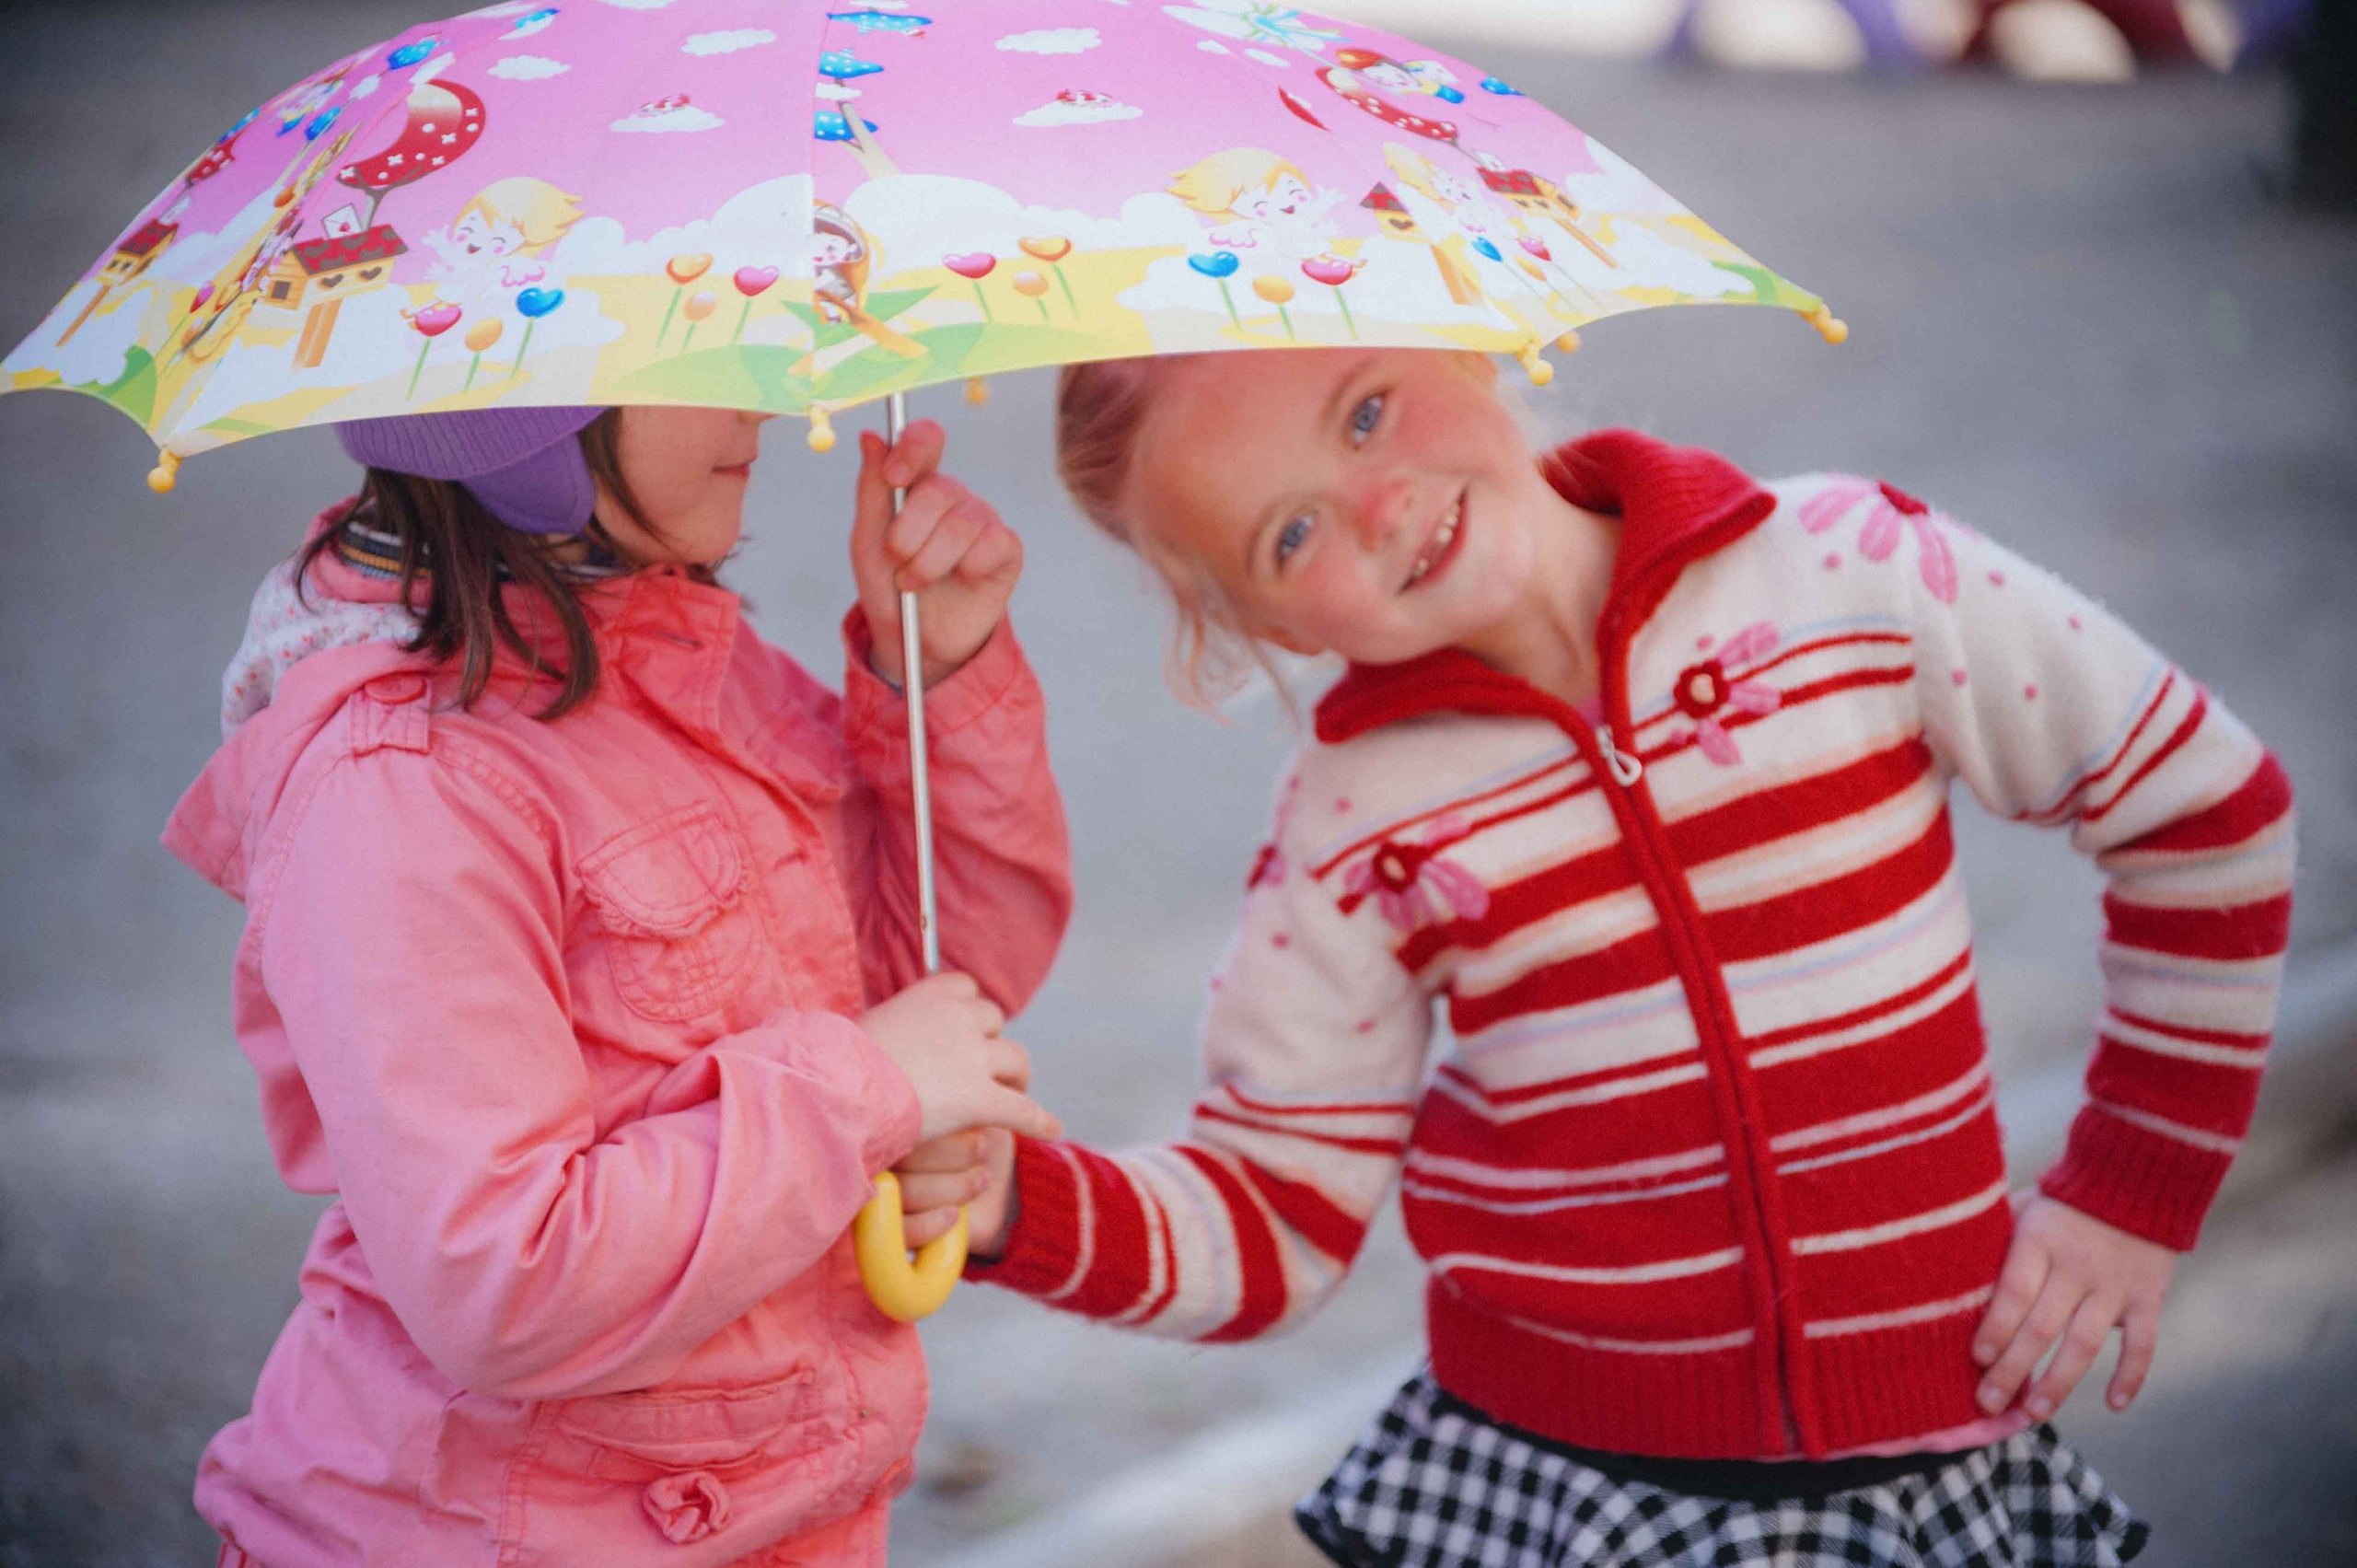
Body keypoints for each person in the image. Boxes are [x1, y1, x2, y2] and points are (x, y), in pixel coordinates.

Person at [916, 346, 2294, 1566]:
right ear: (1273, 627)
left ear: (1467, 341)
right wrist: (1012, 1201)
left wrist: (2132, 1189)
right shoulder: (1353, 824)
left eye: (1367, 410)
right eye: (1291, 533)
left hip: (1925, 1464)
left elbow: (2207, 810)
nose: (1378, 505)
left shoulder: (1851, 574)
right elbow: (1271, 1213)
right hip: (1574, 1493)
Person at [164, 402, 1071, 1567]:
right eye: (687, 355)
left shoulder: (671, 649)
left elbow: (941, 988)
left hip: (765, 1509)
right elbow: (503, 1275)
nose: (753, 400)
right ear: (519, 418)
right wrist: (863, 1091)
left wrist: (930, 671)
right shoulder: (400, 787)